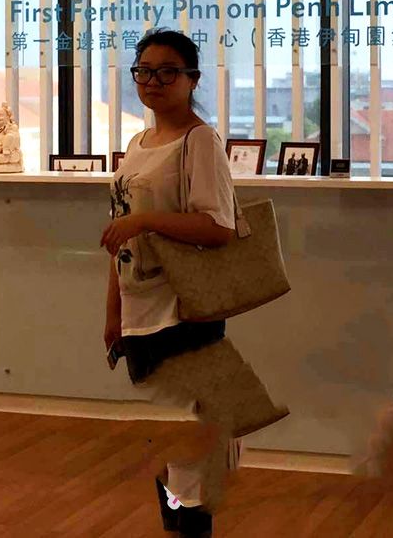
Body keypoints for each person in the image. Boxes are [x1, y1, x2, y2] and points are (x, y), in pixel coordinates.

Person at [100, 28, 286, 538]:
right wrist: (113, 313)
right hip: (140, 314)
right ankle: (179, 523)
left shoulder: (199, 141)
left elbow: (217, 226)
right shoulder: (137, 143)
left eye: (167, 72)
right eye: (144, 71)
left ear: (192, 79)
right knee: (166, 443)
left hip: (183, 312)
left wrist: (144, 221)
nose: (153, 81)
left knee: (187, 447)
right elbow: (119, 237)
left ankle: (190, 528)